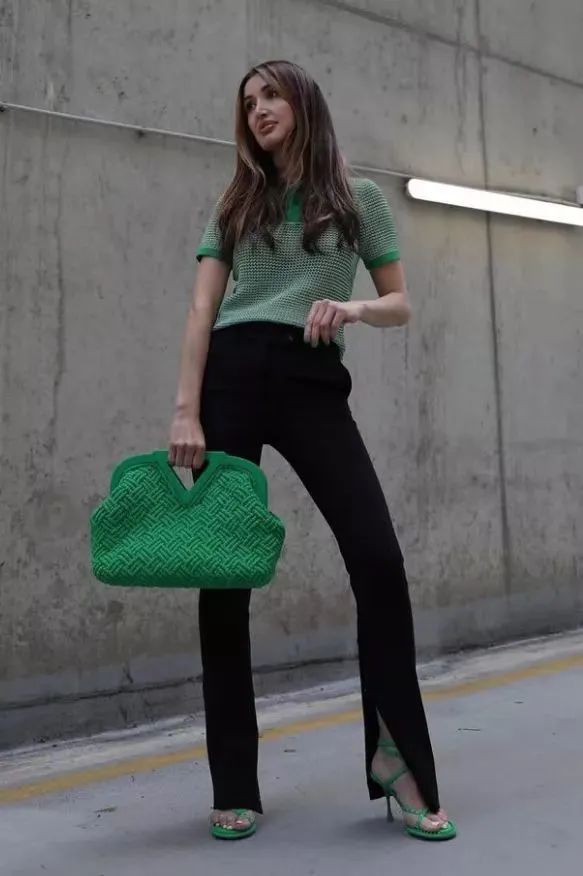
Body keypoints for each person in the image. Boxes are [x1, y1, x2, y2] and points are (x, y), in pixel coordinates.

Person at [168, 59, 456, 842]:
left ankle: (400, 769)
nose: (257, 110)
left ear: (303, 102)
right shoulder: (235, 201)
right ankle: (234, 785)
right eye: (247, 102)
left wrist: (352, 308)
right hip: (230, 377)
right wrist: (186, 411)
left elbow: (399, 302)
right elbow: (200, 310)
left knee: (377, 560)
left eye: (270, 95)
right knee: (224, 579)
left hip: (309, 377)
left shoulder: (358, 200)